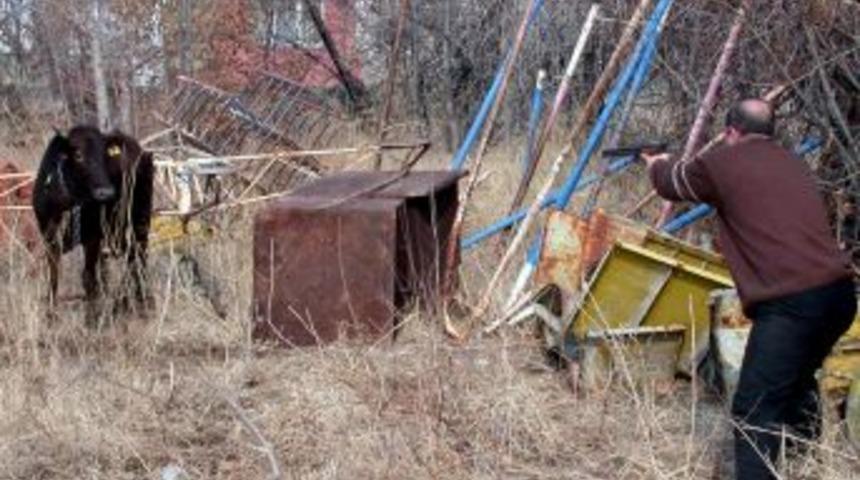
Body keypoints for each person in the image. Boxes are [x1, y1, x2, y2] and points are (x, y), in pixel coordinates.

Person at [642, 98, 856, 480]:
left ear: (730, 133)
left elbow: (672, 184)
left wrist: (656, 162)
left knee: (754, 410)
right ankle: (804, 464)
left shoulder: (723, 160)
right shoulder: (792, 162)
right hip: (838, 296)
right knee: (795, 385)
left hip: (792, 304)